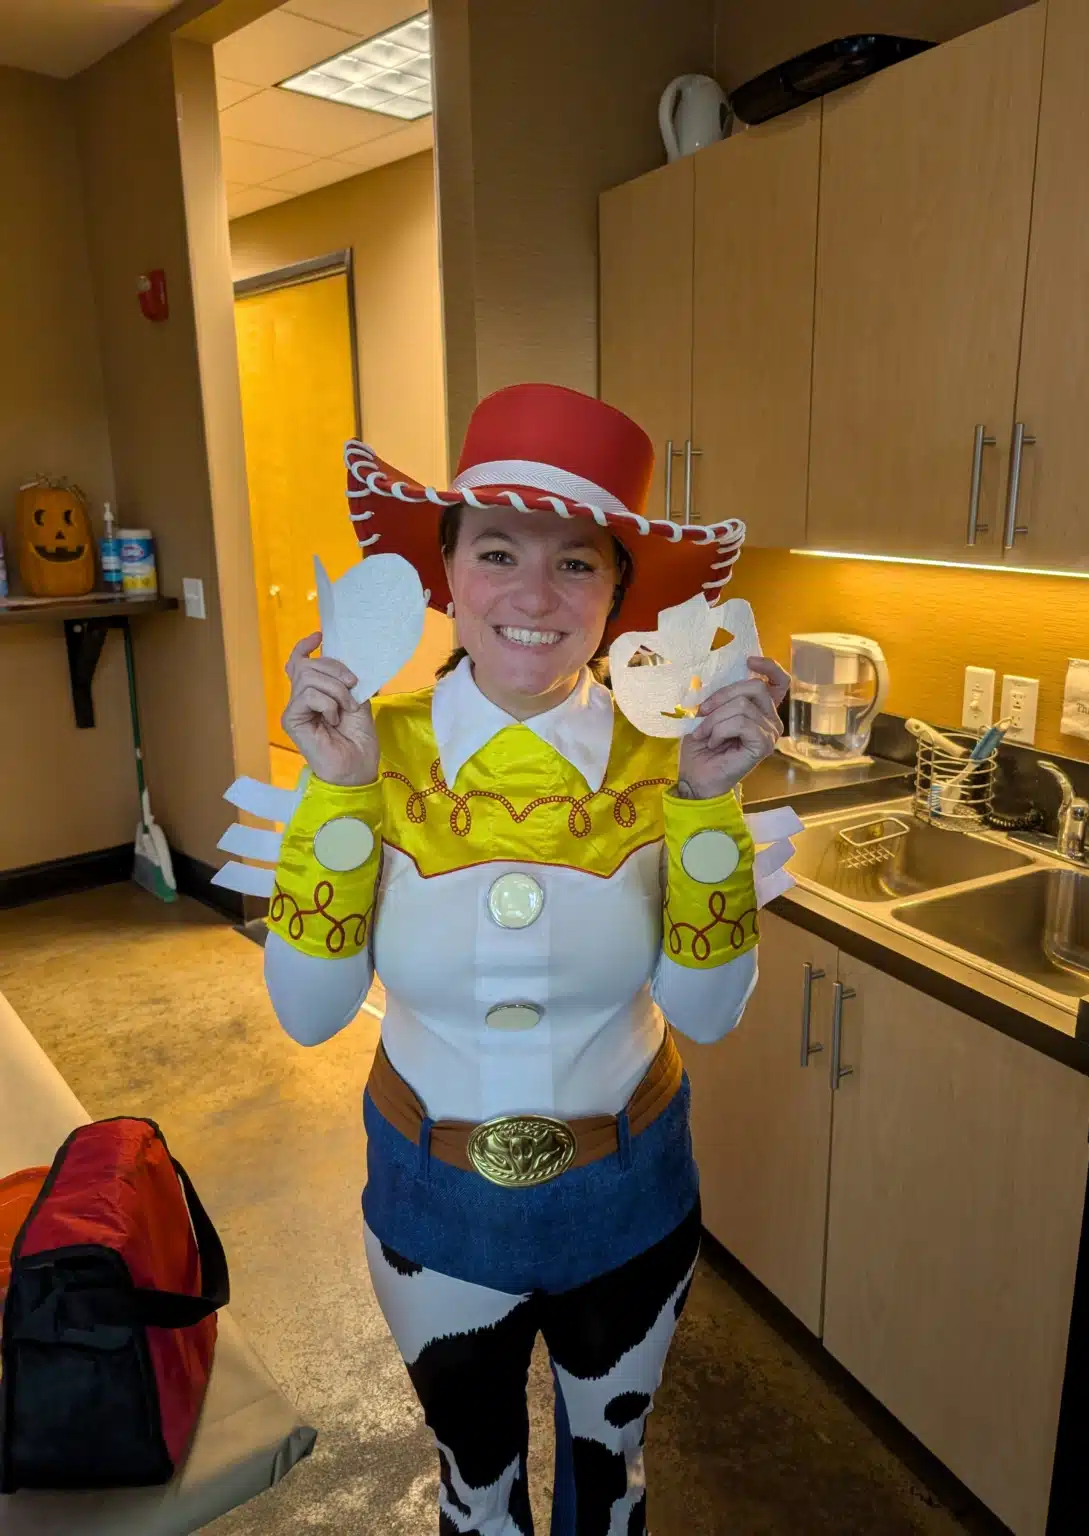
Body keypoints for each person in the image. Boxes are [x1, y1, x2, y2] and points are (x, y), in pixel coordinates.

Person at [259, 383, 786, 1536]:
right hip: (431, 1200)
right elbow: (307, 1014)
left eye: (576, 564)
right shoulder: (368, 748)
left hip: (629, 1195)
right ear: (446, 573)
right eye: (497, 552)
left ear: (616, 595)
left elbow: (706, 1013)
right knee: (475, 1492)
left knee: (611, 1485)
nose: (533, 597)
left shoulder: (672, 757)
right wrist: (336, 796)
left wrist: (706, 807)